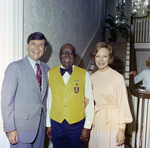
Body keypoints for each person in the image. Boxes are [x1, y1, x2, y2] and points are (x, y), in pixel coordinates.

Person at [1, 32, 49, 148]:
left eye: (41, 45)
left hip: (40, 129)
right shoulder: (15, 67)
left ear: (45, 48)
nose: (37, 48)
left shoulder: (46, 69)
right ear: (27, 45)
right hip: (20, 130)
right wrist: (10, 129)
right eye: (33, 44)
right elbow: (6, 101)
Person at [46, 43, 94, 148]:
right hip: (56, 123)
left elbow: (89, 102)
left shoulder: (84, 74)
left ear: (75, 56)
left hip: (76, 124)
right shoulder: (50, 73)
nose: (67, 55)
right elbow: (49, 101)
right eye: (64, 52)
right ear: (59, 55)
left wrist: (87, 126)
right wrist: (48, 124)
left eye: (71, 53)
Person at [88, 42, 132, 148]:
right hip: (97, 120)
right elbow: (89, 101)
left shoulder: (117, 78)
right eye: (97, 56)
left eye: (104, 56)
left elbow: (123, 104)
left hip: (113, 120)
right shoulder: (91, 77)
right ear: (94, 58)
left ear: (110, 58)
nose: (101, 60)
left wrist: (122, 129)